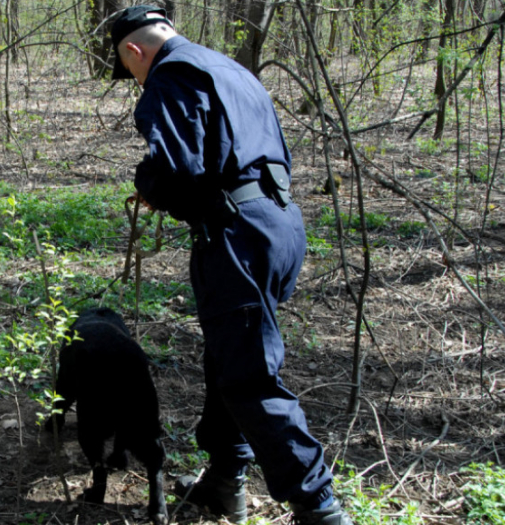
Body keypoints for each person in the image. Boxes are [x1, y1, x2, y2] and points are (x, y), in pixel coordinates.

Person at [108, 5, 354, 525]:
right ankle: (226, 478)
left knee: (247, 375)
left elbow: (175, 168)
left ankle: (320, 508)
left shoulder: (170, 74)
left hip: (236, 233)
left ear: (135, 50)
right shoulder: (229, 69)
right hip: (280, 224)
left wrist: (148, 185)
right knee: (229, 357)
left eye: (128, 69)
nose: (134, 78)